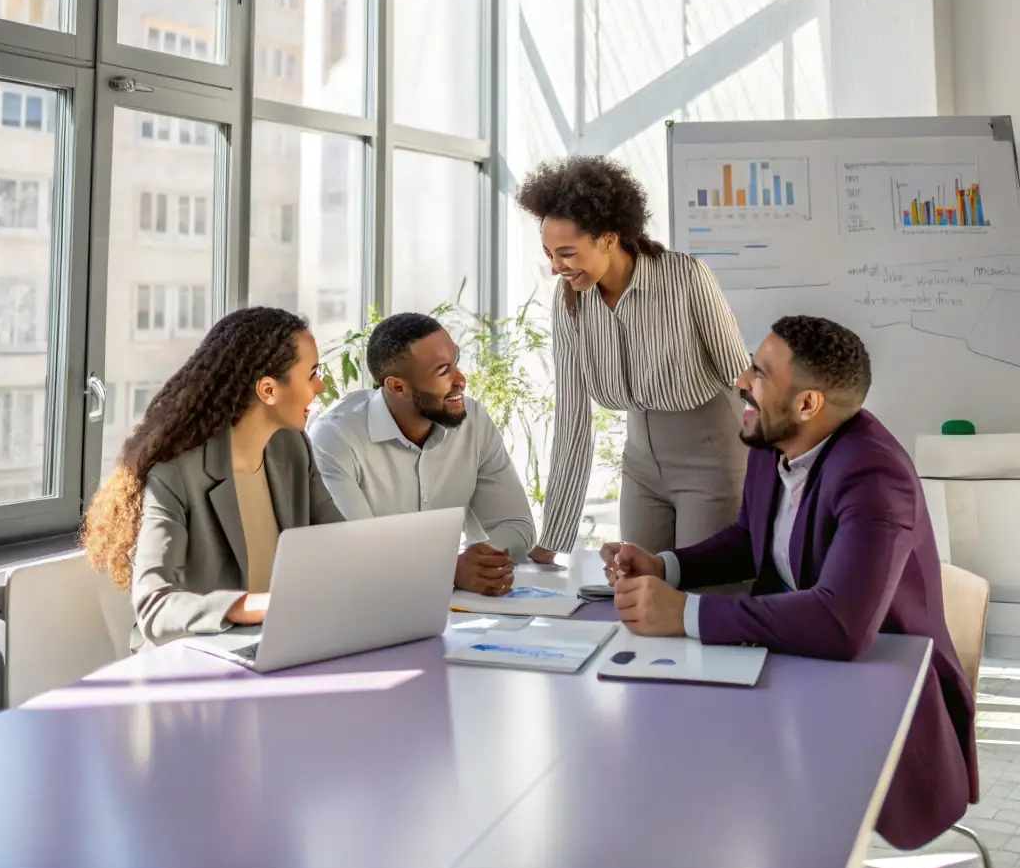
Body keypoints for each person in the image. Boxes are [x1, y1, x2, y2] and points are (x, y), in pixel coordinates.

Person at [604, 315, 978, 851]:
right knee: (673, 752)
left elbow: (841, 623)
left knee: (727, 791)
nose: (739, 381)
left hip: (876, 695)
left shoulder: (875, 477)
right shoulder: (772, 443)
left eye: (758, 372)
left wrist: (685, 613)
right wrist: (667, 567)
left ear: (807, 405)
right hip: (792, 665)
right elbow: (750, 538)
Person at [516, 155, 749, 563]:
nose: (556, 267)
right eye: (550, 253)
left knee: (705, 597)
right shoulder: (570, 300)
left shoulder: (686, 277)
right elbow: (572, 414)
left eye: (567, 253)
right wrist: (552, 540)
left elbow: (744, 379)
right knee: (637, 589)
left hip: (712, 460)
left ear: (608, 237)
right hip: (641, 465)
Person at [83, 306, 342, 645]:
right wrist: (249, 606)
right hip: (196, 657)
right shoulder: (175, 475)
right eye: (311, 374)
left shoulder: (293, 449)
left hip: (277, 644)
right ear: (268, 390)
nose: (320, 386)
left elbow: (340, 544)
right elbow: (154, 605)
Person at [309, 313, 536, 596]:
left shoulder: (473, 419)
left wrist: (480, 561)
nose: (461, 379)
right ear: (397, 387)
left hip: (455, 609)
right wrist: (449, 569)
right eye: (443, 371)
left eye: (456, 363)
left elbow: (517, 527)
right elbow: (357, 554)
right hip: (367, 606)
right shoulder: (335, 437)